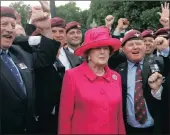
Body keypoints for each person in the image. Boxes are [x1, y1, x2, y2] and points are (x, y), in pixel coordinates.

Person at [0, 5, 60, 134]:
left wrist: (46, 28)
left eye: (12, 25)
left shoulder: (18, 53)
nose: (10, 29)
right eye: (4, 24)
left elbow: (45, 59)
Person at [58, 26, 126, 134]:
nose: (102, 52)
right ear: (88, 52)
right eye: (98, 48)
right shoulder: (72, 76)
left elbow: (119, 117)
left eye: (106, 48)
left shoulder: (116, 77)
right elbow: (65, 118)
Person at [115, 30, 164, 134]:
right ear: (123, 49)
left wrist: (157, 90)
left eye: (138, 43)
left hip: (156, 127)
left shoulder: (158, 63)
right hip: (128, 128)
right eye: (131, 44)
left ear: (145, 47)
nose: (135, 47)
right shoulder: (118, 71)